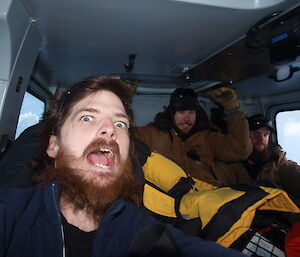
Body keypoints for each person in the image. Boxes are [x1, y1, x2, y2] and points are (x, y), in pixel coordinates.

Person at [0, 76, 247, 257]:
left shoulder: (137, 228)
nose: (110, 129)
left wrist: (234, 112)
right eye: (87, 117)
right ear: (53, 146)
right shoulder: (13, 214)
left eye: (120, 124)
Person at [133, 87, 252, 185]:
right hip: (169, 201)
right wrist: (123, 99)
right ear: (171, 115)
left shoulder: (208, 138)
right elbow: (124, 136)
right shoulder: (153, 134)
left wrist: (233, 111)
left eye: (191, 112)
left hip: (206, 197)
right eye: (181, 112)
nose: (186, 119)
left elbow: (239, 151)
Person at [215, 114, 300, 198]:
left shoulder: (277, 161)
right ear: (244, 137)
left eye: (265, 134)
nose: (262, 140)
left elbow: (293, 172)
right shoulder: (229, 164)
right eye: (256, 134)